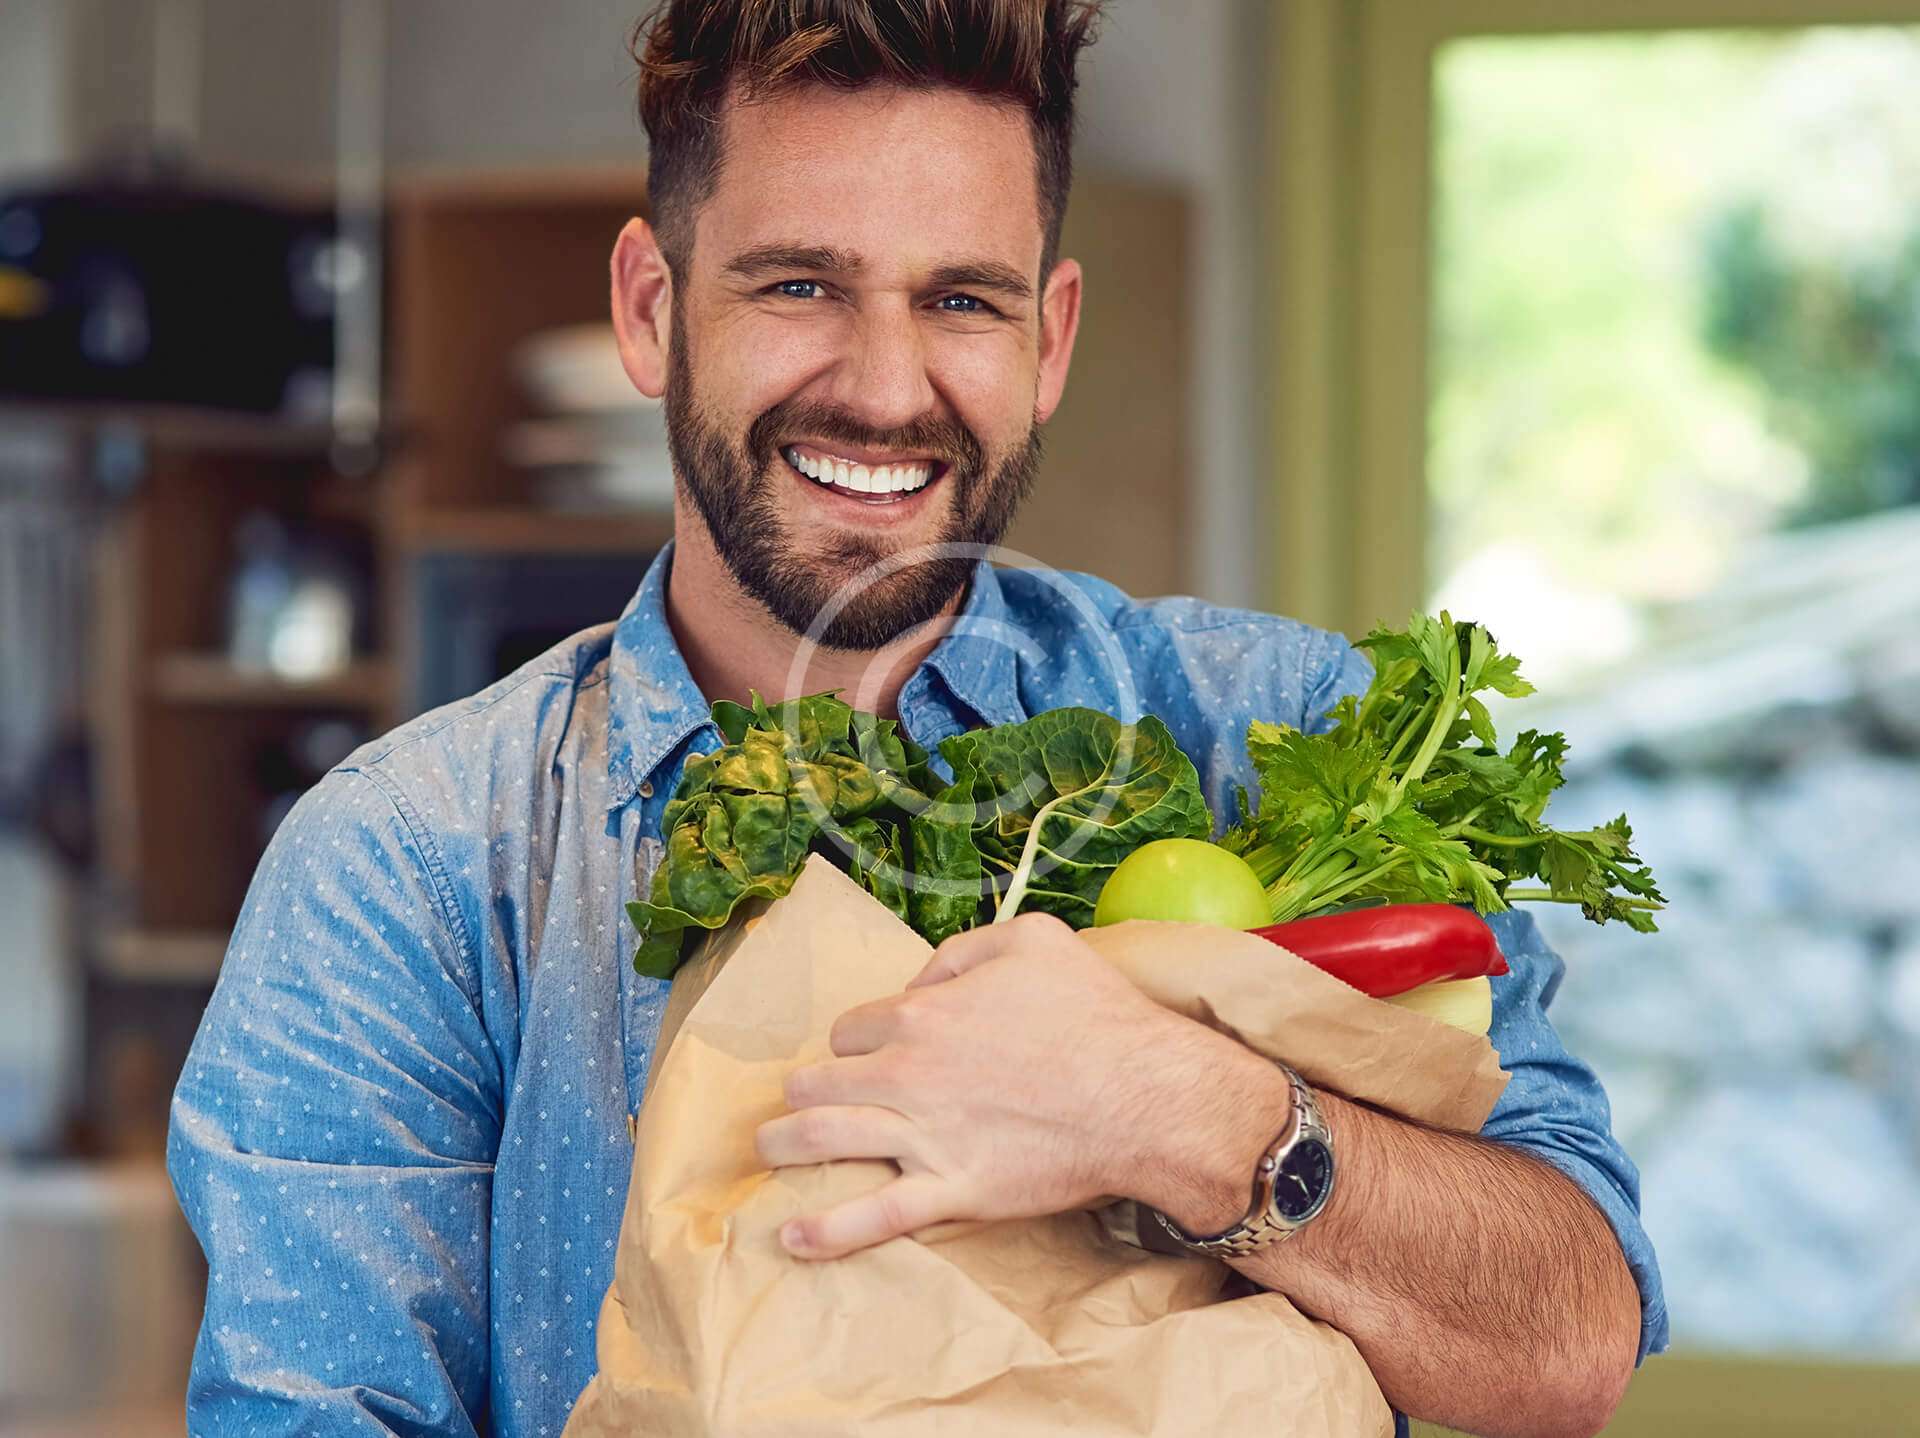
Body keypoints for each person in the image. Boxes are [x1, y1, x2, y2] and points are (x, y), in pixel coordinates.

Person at [167, 3, 1668, 1435]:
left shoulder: (1275, 737)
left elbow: (1571, 1340)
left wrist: (1187, 1114)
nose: (887, 390)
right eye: (799, 286)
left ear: (1050, 339)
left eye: (961, 300)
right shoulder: (414, 869)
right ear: (649, 310)